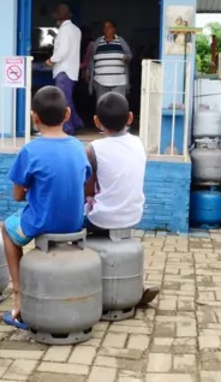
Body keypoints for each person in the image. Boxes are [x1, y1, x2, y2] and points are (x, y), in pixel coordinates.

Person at [0, 86, 92, 329]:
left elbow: (18, 195)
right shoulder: (79, 147)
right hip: (74, 222)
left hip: (42, 222)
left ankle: (19, 295)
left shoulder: (30, 150)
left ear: (34, 117)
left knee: (7, 231)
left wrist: (33, 189)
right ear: (67, 114)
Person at [83, 91, 160, 308]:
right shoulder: (138, 143)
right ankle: (133, 286)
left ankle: (76, 283)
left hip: (101, 218)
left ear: (96, 121)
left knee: (66, 226)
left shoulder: (93, 149)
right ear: (130, 118)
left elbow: (87, 190)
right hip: (133, 215)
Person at [45, 4, 84, 135]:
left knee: (63, 101)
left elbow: (63, 51)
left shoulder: (64, 31)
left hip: (63, 70)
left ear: (58, 19)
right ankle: (77, 123)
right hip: (71, 69)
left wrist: (51, 60)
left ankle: (68, 128)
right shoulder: (76, 30)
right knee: (67, 99)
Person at [82, 20, 132, 102]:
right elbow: (92, 60)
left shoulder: (121, 41)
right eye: (105, 27)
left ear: (114, 29)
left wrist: (127, 58)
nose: (106, 29)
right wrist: (88, 73)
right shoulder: (98, 42)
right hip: (100, 82)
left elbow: (129, 55)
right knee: (102, 106)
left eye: (109, 27)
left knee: (118, 105)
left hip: (118, 82)